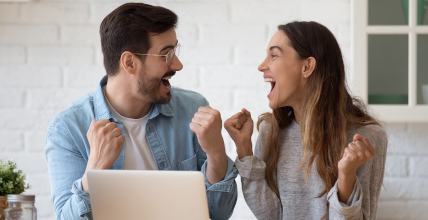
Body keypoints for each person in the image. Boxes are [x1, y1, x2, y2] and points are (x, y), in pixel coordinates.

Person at [45, 3, 237, 220]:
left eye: (176, 50)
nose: (178, 64)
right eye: (167, 54)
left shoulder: (192, 110)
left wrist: (217, 153)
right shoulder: (68, 129)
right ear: (129, 62)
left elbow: (218, 213)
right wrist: (95, 169)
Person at [224, 21, 387, 220]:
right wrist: (243, 147)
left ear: (307, 66)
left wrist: (346, 176)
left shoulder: (366, 139)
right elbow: (271, 216)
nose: (261, 66)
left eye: (273, 55)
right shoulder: (271, 130)